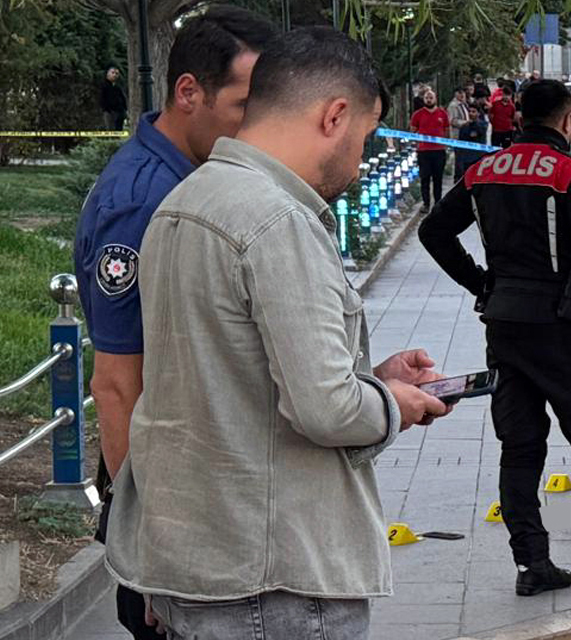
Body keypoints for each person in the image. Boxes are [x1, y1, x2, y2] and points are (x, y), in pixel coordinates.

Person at [104, 27, 451, 640]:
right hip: (276, 582)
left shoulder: (184, 202)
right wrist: (392, 402)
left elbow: (230, 382)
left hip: (195, 567)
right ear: (334, 115)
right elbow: (327, 410)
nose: (361, 158)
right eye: (364, 137)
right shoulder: (277, 221)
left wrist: (371, 379)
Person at [419, 79, 571, 599]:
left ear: (517, 118)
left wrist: (481, 282)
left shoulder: (482, 169)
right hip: (561, 327)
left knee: (520, 448)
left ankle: (533, 564)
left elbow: (433, 232)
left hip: (504, 326)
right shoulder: (570, 174)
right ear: (566, 119)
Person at [73, 8, 276, 639]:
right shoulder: (143, 204)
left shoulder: (194, 180)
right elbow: (117, 383)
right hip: (169, 517)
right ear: (188, 92)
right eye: (246, 104)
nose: (259, 125)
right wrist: (158, 557)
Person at [411, 89, 449, 205]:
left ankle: (438, 203)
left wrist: (444, 144)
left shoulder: (442, 114)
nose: (429, 100)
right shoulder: (417, 115)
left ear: (435, 99)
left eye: (431, 97)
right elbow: (412, 131)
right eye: (427, 98)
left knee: (438, 179)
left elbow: (447, 130)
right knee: (425, 179)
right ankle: (426, 203)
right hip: (424, 152)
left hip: (439, 151)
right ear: (424, 99)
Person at [454, 103, 487, 177]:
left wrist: (474, 123)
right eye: (469, 111)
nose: (471, 113)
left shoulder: (483, 125)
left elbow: (480, 133)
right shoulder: (464, 127)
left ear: (478, 113)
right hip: (466, 159)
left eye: (473, 111)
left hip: (478, 159)